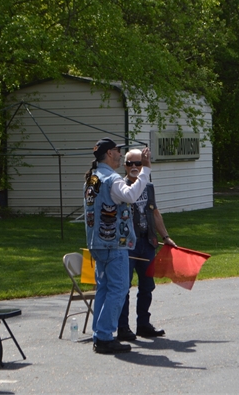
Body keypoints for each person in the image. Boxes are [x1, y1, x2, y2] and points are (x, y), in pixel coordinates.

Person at [83, 138, 152, 354]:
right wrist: (145, 171)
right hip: (115, 243)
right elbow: (131, 195)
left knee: (103, 288)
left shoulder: (92, 179)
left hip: (96, 242)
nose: (121, 155)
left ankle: (99, 333)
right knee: (119, 288)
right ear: (109, 153)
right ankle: (104, 336)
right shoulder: (112, 179)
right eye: (118, 151)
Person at [116, 149, 177, 342]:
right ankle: (123, 327)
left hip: (147, 242)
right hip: (127, 245)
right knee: (123, 287)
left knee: (147, 286)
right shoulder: (119, 186)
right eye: (130, 164)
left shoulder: (148, 187)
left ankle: (143, 324)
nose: (134, 167)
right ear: (124, 166)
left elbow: (155, 213)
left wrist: (165, 236)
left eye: (138, 164)